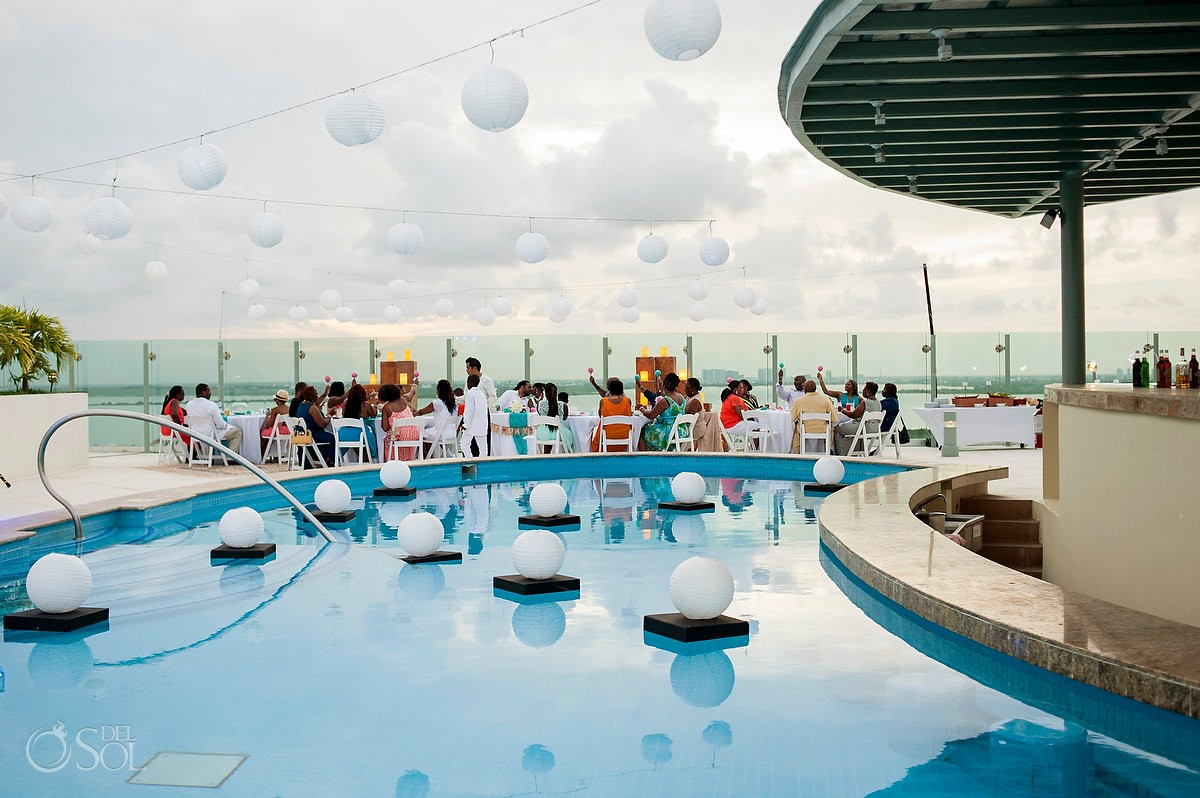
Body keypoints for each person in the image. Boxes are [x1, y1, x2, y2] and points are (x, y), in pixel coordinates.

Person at [186, 383, 243, 455]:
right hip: (210, 435)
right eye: (209, 391)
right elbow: (220, 424)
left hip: (196, 435)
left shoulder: (189, 405)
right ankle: (232, 457)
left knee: (209, 432)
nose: (210, 393)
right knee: (237, 431)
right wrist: (225, 425)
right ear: (204, 392)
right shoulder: (211, 405)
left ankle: (208, 456)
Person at [833, 381, 882, 456]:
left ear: (868, 391)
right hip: (873, 428)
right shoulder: (878, 402)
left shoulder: (865, 402)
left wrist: (842, 410)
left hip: (860, 428)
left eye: (864, 389)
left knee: (835, 427)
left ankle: (839, 452)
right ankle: (854, 450)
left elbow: (853, 415)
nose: (862, 391)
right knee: (845, 426)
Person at [640, 372, 686, 451]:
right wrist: (662, 388)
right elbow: (671, 402)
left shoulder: (664, 401)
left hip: (668, 432)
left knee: (642, 431)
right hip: (681, 431)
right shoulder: (681, 397)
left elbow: (651, 415)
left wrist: (641, 408)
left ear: (665, 385)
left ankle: (645, 459)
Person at [790, 380, 839, 453]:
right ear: (815, 388)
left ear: (805, 389)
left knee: (796, 431)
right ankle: (829, 449)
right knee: (831, 428)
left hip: (805, 430)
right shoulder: (825, 399)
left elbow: (792, 418)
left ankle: (798, 451)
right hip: (822, 430)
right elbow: (835, 419)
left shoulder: (798, 401)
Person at [416, 379, 458, 457]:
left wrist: (412, 413)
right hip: (452, 433)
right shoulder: (454, 403)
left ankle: (428, 458)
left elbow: (421, 412)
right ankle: (447, 456)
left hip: (442, 434)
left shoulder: (437, 403)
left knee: (421, 434)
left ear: (438, 390)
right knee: (429, 434)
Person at [589, 377, 633, 452]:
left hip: (608, 435)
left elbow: (600, 416)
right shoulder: (628, 400)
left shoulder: (603, 401)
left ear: (609, 390)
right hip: (625, 435)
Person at [296, 385, 334, 466]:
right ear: (312, 396)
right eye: (316, 394)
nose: (317, 395)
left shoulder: (301, 406)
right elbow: (322, 424)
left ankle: (320, 459)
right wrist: (329, 416)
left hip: (302, 436)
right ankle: (326, 461)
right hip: (313, 436)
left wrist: (324, 394)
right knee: (333, 438)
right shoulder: (312, 408)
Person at [380, 383, 419, 462]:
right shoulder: (404, 401)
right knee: (394, 434)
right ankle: (406, 459)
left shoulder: (387, 407)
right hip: (414, 434)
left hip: (399, 436)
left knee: (387, 439)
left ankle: (392, 461)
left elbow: (385, 428)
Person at [682, 377, 723, 452]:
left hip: (696, 428)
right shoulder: (690, 397)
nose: (685, 390)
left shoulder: (695, 401)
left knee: (676, 432)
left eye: (687, 388)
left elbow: (686, 418)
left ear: (693, 388)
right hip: (692, 426)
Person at [340, 383, 379, 461]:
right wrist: (375, 405)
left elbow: (342, 414)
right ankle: (373, 459)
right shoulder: (365, 405)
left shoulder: (345, 403)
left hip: (343, 434)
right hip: (360, 435)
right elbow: (373, 415)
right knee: (372, 437)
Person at [535, 381, 575, 453]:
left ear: (545, 393)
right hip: (558, 432)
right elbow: (564, 418)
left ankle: (546, 455)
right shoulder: (563, 405)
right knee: (569, 437)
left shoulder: (539, 404)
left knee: (550, 435)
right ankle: (567, 455)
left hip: (542, 434)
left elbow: (540, 414)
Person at [460, 374, 489, 458]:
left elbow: (469, 410)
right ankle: (482, 464)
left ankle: (470, 462)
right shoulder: (481, 394)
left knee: (464, 444)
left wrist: (466, 424)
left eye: (468, 382)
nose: (467, 385)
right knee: (483, 448)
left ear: (470, 382)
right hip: (482, 424)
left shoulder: (470, 394)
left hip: (471, 424)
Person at [259, 389, 290, 455]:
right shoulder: (289, 408)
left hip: (278, 431)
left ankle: (262, 453)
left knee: (262, 433)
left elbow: (270, 424)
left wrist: (267, 415)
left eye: (275, 399)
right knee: (270, 433)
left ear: (278, 401)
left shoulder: (275, 410)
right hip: (288, 430)